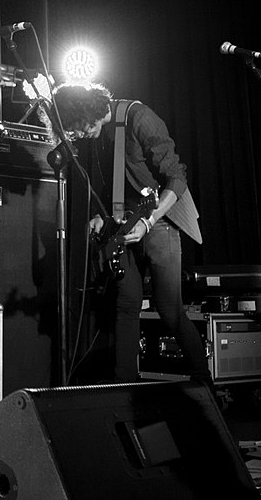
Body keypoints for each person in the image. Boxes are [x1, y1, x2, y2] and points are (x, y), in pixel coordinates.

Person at [50, 81, 212, 385]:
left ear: (89, 110)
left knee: (169, 310)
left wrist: (148, 222)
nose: (78, 134)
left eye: (77, 126)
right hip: (124, 225)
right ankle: (123, 389)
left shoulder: (140, 118)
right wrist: (102, 217)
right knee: (126, 305)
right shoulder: (98, 136)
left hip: (159, 223)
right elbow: (115, 185)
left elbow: (177, 178)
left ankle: (204, 385)